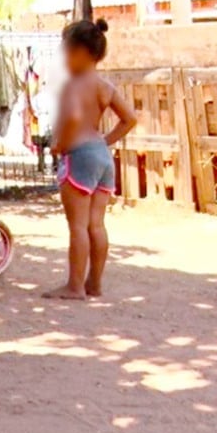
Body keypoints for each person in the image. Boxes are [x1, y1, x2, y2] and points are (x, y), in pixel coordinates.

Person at [44, 19, 137, 300]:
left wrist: (60, 145)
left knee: (77, 226)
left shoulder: (72, 85)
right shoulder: (104, 86)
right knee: (97, 225)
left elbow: (72, 118)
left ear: (80, 53)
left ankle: (74, 286)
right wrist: (104, 142)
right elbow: (130, 119)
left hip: (79, 157)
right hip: (102, 157)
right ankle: (94, 283)